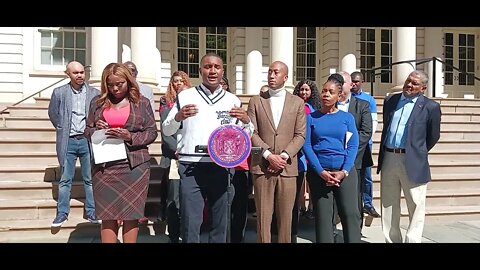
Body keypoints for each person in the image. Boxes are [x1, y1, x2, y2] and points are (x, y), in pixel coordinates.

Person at [162, 53, 253, 243]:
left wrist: (246, 122)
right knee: (190, 221)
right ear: (200, 70)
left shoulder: (232, 100)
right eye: (208, 67)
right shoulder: (185, 96)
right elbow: (167, 129)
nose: (212, 71)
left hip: (220, 166)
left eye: (217, 67)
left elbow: (244, 136)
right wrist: (178, 117)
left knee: (220, 222)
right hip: (191, 165)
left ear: (222, 71)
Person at [84, 63, 158, 243]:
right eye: (111, 85)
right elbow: (86, 130)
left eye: (120, 84)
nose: (115, 88)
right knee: (107, 214)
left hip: (134, 167)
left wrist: (130, 136)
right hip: (105, 166)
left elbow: (151, 132)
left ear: (129, 81)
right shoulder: (97, 103)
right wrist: (95, 129)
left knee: (131, 214)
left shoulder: (142, 103)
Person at [377, 70, 441, 243]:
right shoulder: (391, 100)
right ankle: (391, 240)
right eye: (408, 81)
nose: (409, 85)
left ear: (423, 88)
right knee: (388, 205)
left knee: (416, 206)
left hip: (413, 160)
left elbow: (433, 136)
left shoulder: (430, 107)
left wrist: (416, 151)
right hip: (390, 157)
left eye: (414, 83)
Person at [247, 61, 306, 243]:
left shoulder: (297, 103)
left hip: (287, 168)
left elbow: (300, 135)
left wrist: (284, 156)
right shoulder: (256, 101)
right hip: (262, 167)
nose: (271, 76)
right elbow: (251, 132)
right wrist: (268, 155)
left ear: (285, 77)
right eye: (270, 72)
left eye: (276, 72)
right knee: (263, 220)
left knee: (285, 220)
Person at [303, 76, 361, 243]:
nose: (326, 94)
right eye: (324, 91)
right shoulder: (311, 118)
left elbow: (352, 145)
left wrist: (344, 171)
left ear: (339, 96)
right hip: (320, 173)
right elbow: (307, 146)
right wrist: (321, 171)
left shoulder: (347, 118)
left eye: (331, 92)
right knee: (323, 217)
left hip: (344, 172)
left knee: (350, 214)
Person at [48, 60, 100, 227]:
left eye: (81, 72)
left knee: (90, 178)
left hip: (86, 141)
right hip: (68, 141)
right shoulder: (59, 92)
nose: (79, 75)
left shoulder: (94, 93)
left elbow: (98, 115)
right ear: (68, 74)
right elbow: (53, 114)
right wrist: (62, 127)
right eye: (75, 73)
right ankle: (62, 213)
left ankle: (92, 212)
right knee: (65, 179)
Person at [271, 79, 320, 242]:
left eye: (307, 90)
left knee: (294, 199)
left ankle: (291, 234)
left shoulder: (313, 110)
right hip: (289, 155)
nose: (304, 92)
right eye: (301, 89)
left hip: (304, 157)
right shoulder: (292, 106)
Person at [336, 71, 373, 229]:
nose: (338, 84)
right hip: (332, 158)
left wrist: (349, 151)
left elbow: (365, 132)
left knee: (354, 198)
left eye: (341, 82)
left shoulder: (362, 105)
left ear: (351, 85)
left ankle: (354, 230)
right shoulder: (328, 105)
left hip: (355, 159)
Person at [159, 70, 191, 243]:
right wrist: (177, 150)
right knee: (174, 198)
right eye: (175, 81)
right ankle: (173, 234)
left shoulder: (193, 101)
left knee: (189, 198)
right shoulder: (166, 103)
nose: (178, 83)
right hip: (174, 157)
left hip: (190, 156)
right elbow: (166, 132)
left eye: (182, 80)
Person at [220, 76, 252, 243]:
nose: (221, 87)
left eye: (224, 84)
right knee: (220, 208)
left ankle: (237, 239)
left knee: (239, 207)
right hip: (218, 165)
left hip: (240, 166)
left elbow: (248, 133)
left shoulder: (237, 108)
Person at [351, 71, 380, 218]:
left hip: (365, 143)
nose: (354, 84)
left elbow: (373, 122)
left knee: (366, 176)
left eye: (357, 81)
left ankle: (368, 204)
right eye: (352, 81)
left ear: (362, 81)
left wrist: (366, 138)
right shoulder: (346, 98)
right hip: (349, 145)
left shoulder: (368, 100)